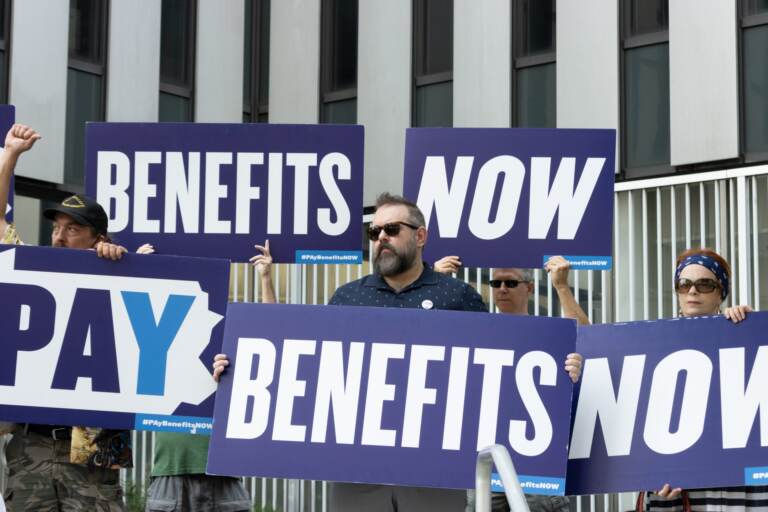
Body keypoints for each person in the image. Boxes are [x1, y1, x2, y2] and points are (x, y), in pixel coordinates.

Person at [213, 192, 488, 512]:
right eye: (374, 232)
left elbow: (492, 371)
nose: (381, 237)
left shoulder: (457, 297)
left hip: (434, 475)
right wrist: (240, 370)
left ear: (421, 236)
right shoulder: (347, 298)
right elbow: (304, 369)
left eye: (392, 229)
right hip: (357, 477)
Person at [0, 124, 131, 511]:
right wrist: (10, 156)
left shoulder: (123, 277)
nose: (59, 237)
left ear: (98, 238)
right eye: (56, 228)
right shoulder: (31, 271)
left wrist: (121, 268)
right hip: (30, 445)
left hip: (92, 448)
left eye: (73, 229)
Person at [434, 256, 585, 512]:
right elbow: (430, 341)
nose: (502, 288)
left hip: (537, 458)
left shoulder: (549, 332)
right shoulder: (477, 331)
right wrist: (438, 283)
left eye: (510, 283)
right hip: (485, 455)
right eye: (495, 282)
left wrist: (561, 286)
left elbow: (586, 338)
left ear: (529, 288)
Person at [144, 241, 276, 512]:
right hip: (171, 466)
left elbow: (271, 334)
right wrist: (140, 270)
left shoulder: (230, 324)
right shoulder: (159, 323)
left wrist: (265, 279)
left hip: (222, 469)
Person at [640, 247, 758, 512]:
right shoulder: (651, 343)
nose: (692, 291)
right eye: (684, 284)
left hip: (736, 486)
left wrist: (752, 330)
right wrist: (648, 470)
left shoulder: (742, 334)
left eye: (704, 284)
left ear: (721, 293)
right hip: (674, 485)